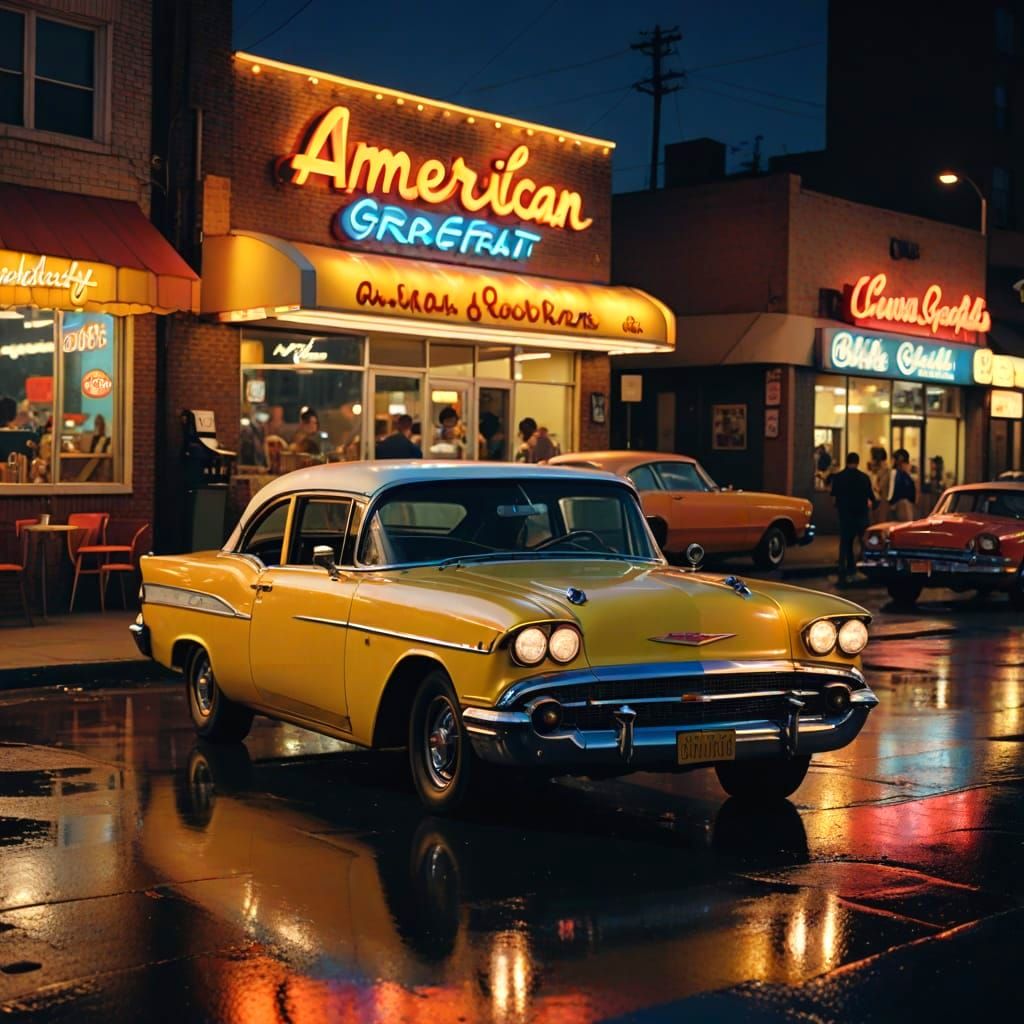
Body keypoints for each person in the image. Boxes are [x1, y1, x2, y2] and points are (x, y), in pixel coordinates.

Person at [830, 452, 878, 585]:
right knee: (864, 542)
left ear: (846, 461)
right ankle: (865, 566)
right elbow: (871, 497)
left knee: (846, 543)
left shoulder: (839, 477)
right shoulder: (864, 477)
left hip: (845, 515)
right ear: (857, 462)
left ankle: (844, 567)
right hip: (861, 514)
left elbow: (834, 497)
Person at [890, 448, 917, 521]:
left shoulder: (896, 474)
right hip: (905, 506)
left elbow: (892, 494)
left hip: (901, 507)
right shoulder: (906, 476)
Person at [869, 446, 891, 523]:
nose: (870, 460)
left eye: (872, 458)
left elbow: (879, 488)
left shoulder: (885, 472)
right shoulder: (877, 472)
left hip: (880, 504)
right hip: (877, 503)